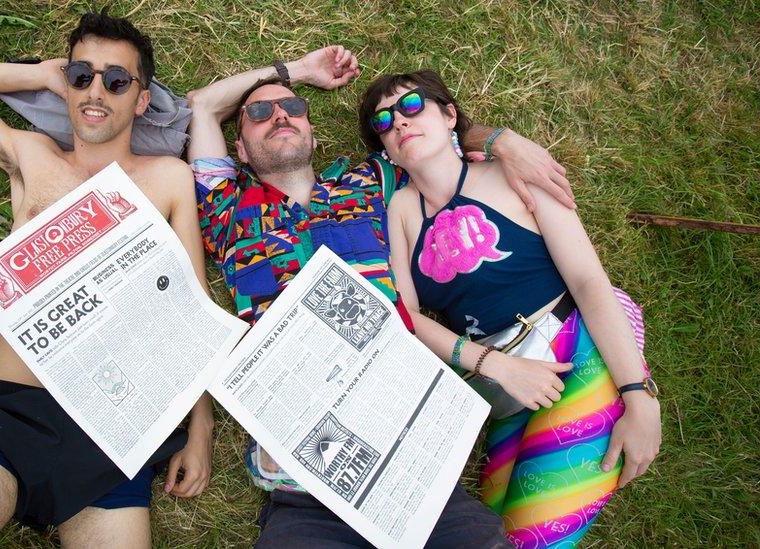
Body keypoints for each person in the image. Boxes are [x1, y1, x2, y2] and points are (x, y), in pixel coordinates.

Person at [186, 46, 575, 547]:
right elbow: (201, 105)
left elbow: (431, 141)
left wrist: (501, 140)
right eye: (258, 113)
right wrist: (298, 73)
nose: (280, 113)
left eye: (293, 108)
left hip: (410, 463)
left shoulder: (371, 182)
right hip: (304, 485)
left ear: (313, 132)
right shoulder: (226, 211)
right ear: (239, 149)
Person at [0, 11, 214, 548]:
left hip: (114, 426)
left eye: (116, 80)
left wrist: (201, 428)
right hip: (12, 413)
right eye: (81, 76)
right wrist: (38, 75)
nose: (96, 90)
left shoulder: (169, 179)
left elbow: (194, 305)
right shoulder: (31, 155)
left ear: (141, 99)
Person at [357, 70, 662, 548]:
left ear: (450, 115)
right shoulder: (399, 210)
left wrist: (638, 395)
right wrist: (495, 364)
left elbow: (588, 280)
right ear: (385, 149)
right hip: (502, 380)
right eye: (382, 121)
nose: (397, 120)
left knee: (533, 539)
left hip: (577, 347)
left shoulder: (512, 174)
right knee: (491, 527)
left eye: (411, 105)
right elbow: (407, 318)